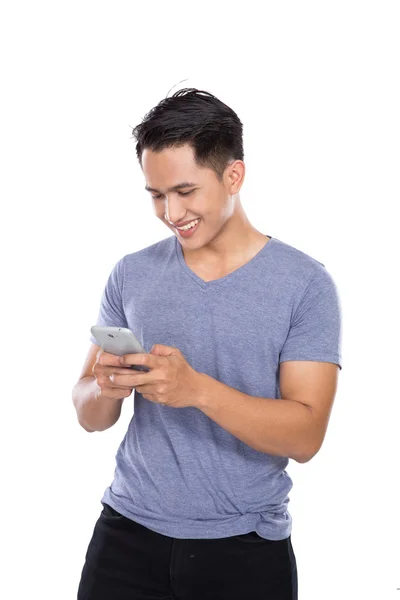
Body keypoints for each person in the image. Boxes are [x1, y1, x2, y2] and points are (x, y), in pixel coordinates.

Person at [73, 87, 342, 599]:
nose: (170, 212)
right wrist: (106, 388)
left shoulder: (305, 284)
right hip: (125, 533)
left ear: (233, 176)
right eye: (156, 195)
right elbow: (89, 415)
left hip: (243, 547)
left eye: (185, 191)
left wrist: (195, 390)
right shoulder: (132, 273)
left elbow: (306, 437)